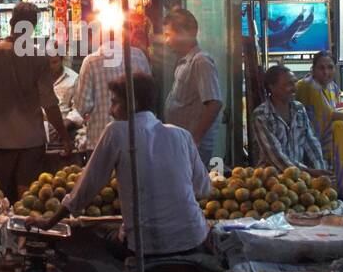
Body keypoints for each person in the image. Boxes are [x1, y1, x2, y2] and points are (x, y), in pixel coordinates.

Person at [32, 73, 212, 257]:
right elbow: (204, 189)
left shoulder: (117, 132)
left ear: (132, 103)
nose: (111, 111)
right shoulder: (182, 135)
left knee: (95, 241)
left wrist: (49, 222)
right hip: (195, 237)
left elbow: (86, 187)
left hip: (146, 246)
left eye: (115, 102)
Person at [0, 1, 68, 199]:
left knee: (0, 198)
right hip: (31, 142)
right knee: (27, 199)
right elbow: (49, 102)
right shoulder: (38, 57)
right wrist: (63, 135)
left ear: (11, 22)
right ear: (34, 25)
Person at [295, 51, 343, 199]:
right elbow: (330, 115)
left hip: (328, 146)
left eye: (330, 67)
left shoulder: (332, 87)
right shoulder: (307, 86)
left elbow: (334, 110)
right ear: (313, 69)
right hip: (309, 147)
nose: (326, 72)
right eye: (321, 68)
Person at [74, 13, 151, 152]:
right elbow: (149, 98)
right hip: (137, 138)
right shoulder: (139, 56)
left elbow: (82, 106)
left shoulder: (91, 62)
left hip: (101, 142)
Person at [162, 7, 223, 164]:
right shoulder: (184, 62)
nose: (166, 41)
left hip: (192, 148)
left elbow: (214, 103)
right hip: (181, 144)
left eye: (168, 35)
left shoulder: (200, 61)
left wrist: (194, 139)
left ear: (186, 33)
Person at [250, 67, 329, 175]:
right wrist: (309, 172)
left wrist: (320, 170)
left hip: (300, 178)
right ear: (272, 87)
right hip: (271, 179)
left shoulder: (299, 109)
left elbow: (311, 143)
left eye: (294, 83)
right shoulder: (261, 115)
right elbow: (275, 155)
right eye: (288, 84)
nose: (294, 88)